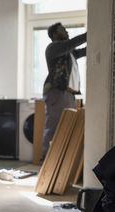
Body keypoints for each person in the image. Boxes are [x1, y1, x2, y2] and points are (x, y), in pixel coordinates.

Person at [41, 22, 87, 160]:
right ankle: (46, 159)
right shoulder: (53, 48)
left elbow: (83, 51)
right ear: (55, 34)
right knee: (53, 128)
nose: (67, 32)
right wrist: (88, 35)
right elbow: (72, 43)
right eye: (63, 30)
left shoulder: (69, 52)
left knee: (66, 128)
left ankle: (60, 161)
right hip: (57, 92)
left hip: (68, 94)